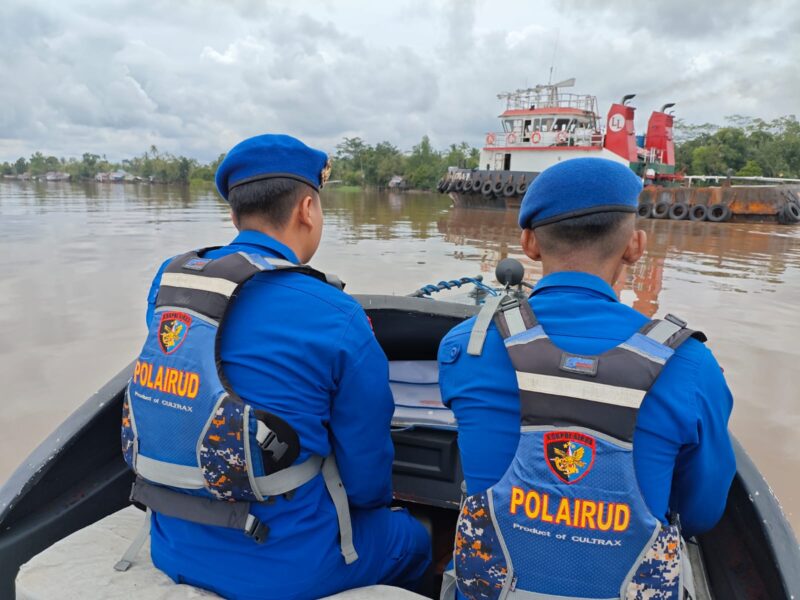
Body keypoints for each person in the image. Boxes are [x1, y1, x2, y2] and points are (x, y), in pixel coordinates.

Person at [122, 134, 430, 600]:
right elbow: (367, 472)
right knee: (415, 538)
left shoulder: (173, 284)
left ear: (233, 214)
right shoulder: (335, 312)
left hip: (171, 544)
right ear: (307, 209)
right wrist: (375, 509)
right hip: (292, 568)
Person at [437, 158, 735, 599]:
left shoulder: (468, 346)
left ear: (529, 243)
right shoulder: (690, 365)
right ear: (635, 246)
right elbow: (701, 513)